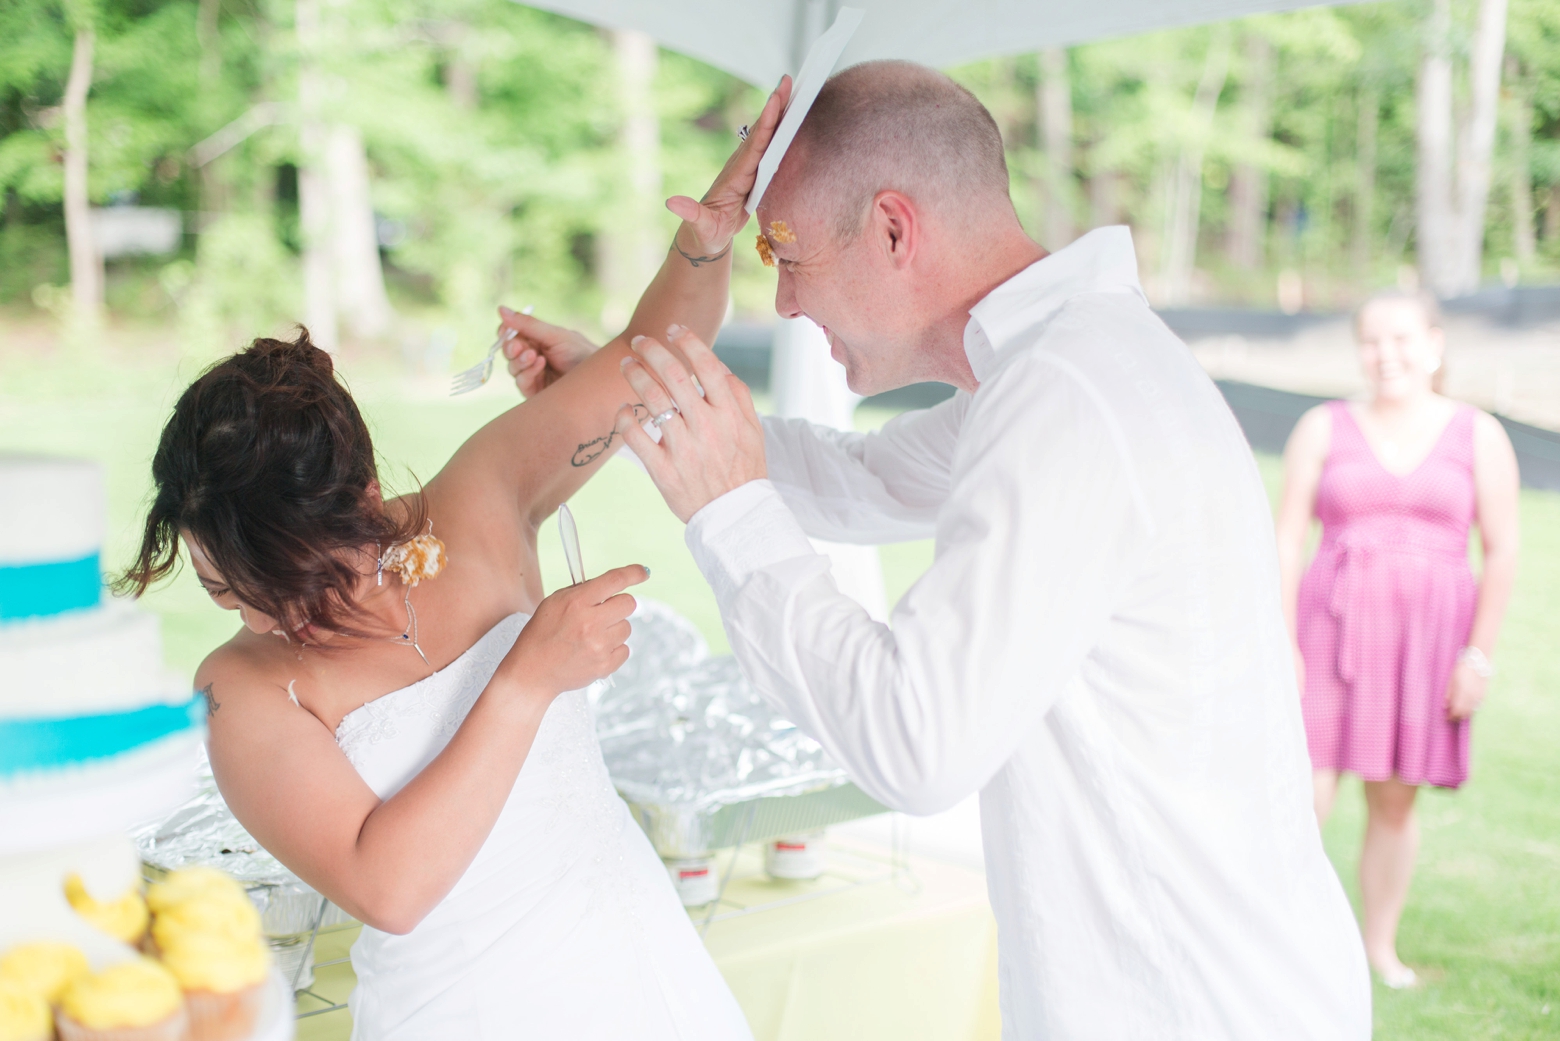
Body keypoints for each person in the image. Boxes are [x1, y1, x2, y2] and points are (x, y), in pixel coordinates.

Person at [513, 60, 1372, 1040]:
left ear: (892, 229)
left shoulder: (1069, 401)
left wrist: (730, 512)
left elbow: (916, 742)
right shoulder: (1060, 368)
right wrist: (619, 399)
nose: (784, 303)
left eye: (788, 256)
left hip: (1190, 1003)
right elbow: (865, 480)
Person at [115, 79, 795, 1040]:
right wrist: (524, 678)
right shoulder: (244, 687)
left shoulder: (480, 495)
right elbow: (388, 886)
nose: (255, 617)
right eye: (221, 586)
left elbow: (653, 354)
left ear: (347, 504)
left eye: (269, 581)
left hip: (637, 974)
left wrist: (708, 238)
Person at [1274, 290, 1520, 989]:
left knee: (1393, 798)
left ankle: (1377, 948)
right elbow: (1287, 537)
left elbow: (1501, 549)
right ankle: (1278, 940)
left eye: (1402, 339)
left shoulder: (1478, 433)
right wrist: (1282, 638)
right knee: (1302, 791)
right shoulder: (1323, 426)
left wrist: (1479, 655)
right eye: (1372, 341)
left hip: (1427, 642)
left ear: (1434, 345)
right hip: (1329, 632)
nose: (1387, 355)